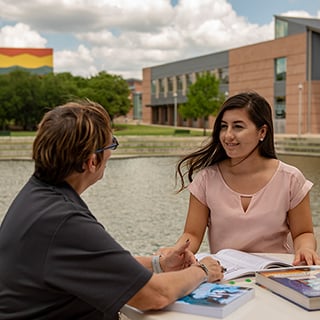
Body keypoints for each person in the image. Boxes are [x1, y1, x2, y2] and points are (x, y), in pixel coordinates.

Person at [0, 100, 224, 320]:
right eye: (111, 146)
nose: (110, 154)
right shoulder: (63, 220)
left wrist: (160, 264)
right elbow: (155, 295)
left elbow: (97, 262)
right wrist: (202, 271)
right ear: (91, 162)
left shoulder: (38, 196)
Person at [173, 91, 320, 266]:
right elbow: (192, 234)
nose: (227, 135)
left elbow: (303, 233)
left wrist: (305, 249)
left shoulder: (291, 179)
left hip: (275, 274)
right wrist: (175, 252)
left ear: (262, 132)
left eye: (238, 126)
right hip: (226, 277)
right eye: (223, 126)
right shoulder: (206, 180)